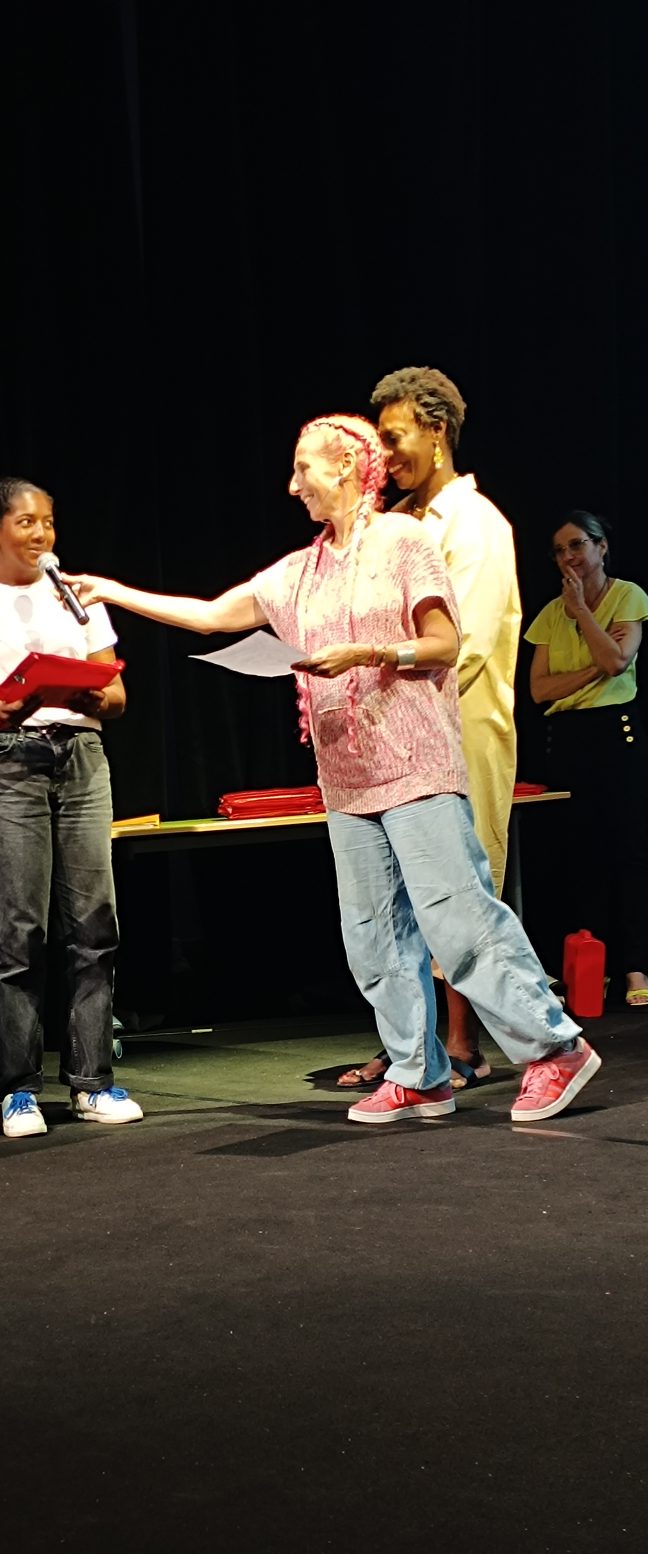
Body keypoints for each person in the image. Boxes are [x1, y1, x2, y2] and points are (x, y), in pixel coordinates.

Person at [66, 414, 600, 1128]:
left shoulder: (405, 541)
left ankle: (556, 1047)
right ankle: (418, 1075)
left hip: (415, 765)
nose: (294, 486)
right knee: (374, 935)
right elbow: (212, 615)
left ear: (346, 465)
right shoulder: (301, 571)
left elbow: (444, 643)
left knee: (458, 916)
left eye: (304, 470)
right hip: (347, 779)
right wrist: (113, 592)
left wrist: (369, 653)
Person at [0, 477, 143, 1136]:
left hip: (81, 756)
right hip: (7, 759)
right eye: (25, 522)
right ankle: (18, 1088)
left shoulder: (75, 595)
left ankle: (92, 1083)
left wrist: (93, 695)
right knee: (20, 930)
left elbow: (118, 694)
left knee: (94, 925)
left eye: (47, 521)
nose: (40, 533)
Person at [339, 364, 521, 1090]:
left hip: (456, 727)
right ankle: (412, 1045)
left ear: (437, 431)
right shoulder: (397, 524)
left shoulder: (475, 525)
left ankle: (462, 1042)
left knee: (456, 886)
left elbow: (462, 646)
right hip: (396, 727)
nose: (383, 456)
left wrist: (380, 677)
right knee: (399, 892)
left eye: (394, 438)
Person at [527, 511, 648, 1004]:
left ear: (601, 547)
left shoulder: (628, 595)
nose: (568, 556)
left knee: (628, 852)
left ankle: (636, 968)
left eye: (577, 544)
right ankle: (589, 969)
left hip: (616, 734)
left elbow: (618, 662)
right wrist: (594, 668)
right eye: (560, 550)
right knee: (580, 856)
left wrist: (582, 614)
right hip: (567, 738)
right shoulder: (549, 613)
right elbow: (539, 690)